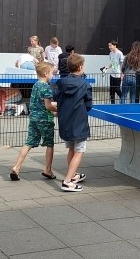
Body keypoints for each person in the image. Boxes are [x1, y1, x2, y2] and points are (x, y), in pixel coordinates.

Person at [10, 62, 58, 181]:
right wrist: (58, 110)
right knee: (49, 144)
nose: (53, 75)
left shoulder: (36, 85)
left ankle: (17, 167)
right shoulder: (46, 87)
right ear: (46, 74)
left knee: (29, 142)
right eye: (52, 73)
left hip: (33, 118)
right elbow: (48, 105)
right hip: (45, 119)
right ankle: (47, 169)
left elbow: (38, 103)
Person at [54, 53, 92, 192]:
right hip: (79, 122)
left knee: (71, 149)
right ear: (80, 67)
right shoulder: (85, 85)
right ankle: (67, 181)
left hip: (65, 121)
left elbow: (57, 99)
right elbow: (88, 105)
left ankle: (73, 174)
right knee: (79, 151)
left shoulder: (60, 83)